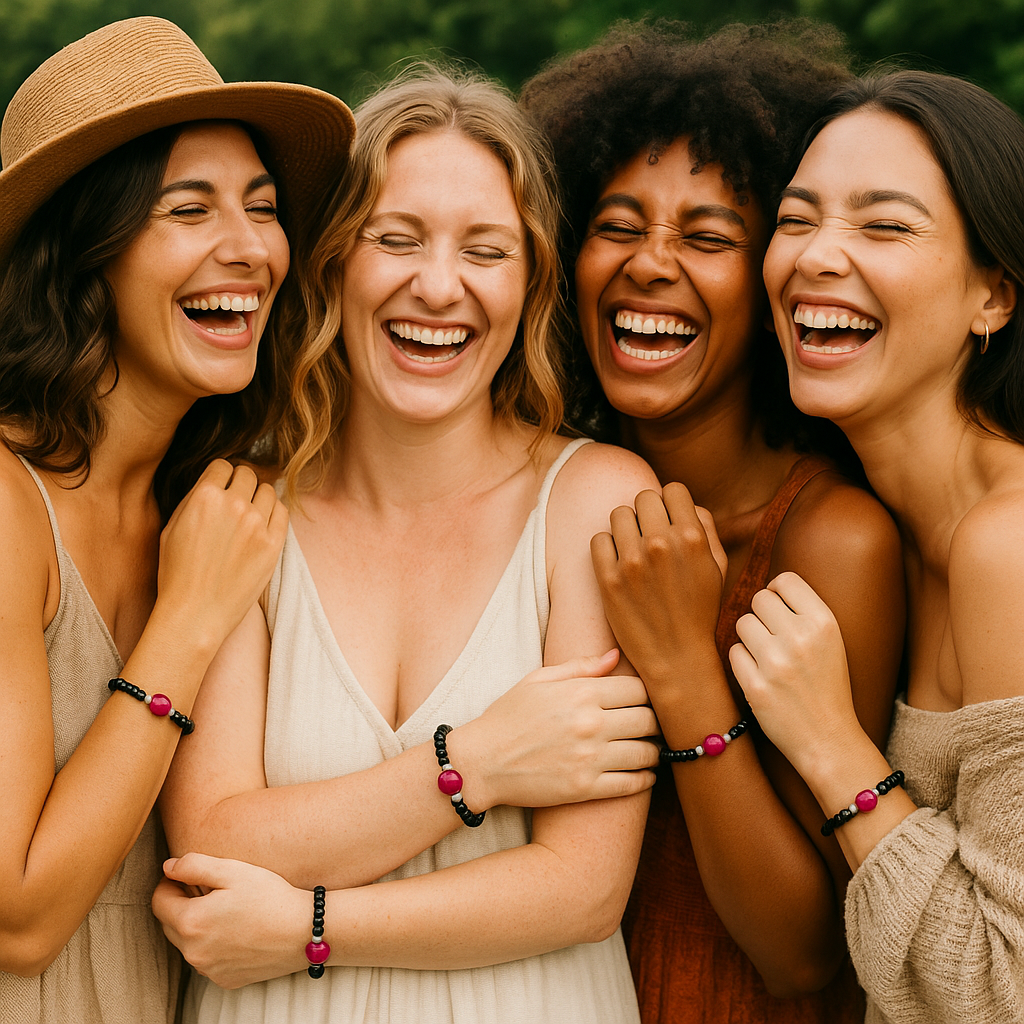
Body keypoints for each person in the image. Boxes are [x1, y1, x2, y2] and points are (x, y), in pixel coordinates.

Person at [154, 65, 660, 1024]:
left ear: (532, 281)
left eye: (486, 249)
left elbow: (581, 890)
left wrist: (310, 922)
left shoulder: (594, 502)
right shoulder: (239, 510)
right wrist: (477, 761)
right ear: (335, 261)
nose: (439, 286)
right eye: (396, 239)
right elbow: (215, 836)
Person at [520, 22, 905, 1023]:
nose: (651, 264)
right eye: (616, 224)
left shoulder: (828, 540)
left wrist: (686, 671)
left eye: (706, 237)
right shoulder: (537, 497)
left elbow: (808, 953)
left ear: (775, 277)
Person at [0, 17, 354, 1024]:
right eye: (188, 210)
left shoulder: (212, 505)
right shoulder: (7, 507)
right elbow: (18, 915)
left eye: (263, 208)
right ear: (85, 254)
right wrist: (189, 619)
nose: (248, 249)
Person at [736, 69, 1024, 1024]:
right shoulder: (868, 518)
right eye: (796, 218)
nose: (819, 255)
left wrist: (830, 745)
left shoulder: (1009, 546)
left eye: (885, 226)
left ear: (995, 294)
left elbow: (1001, 993)